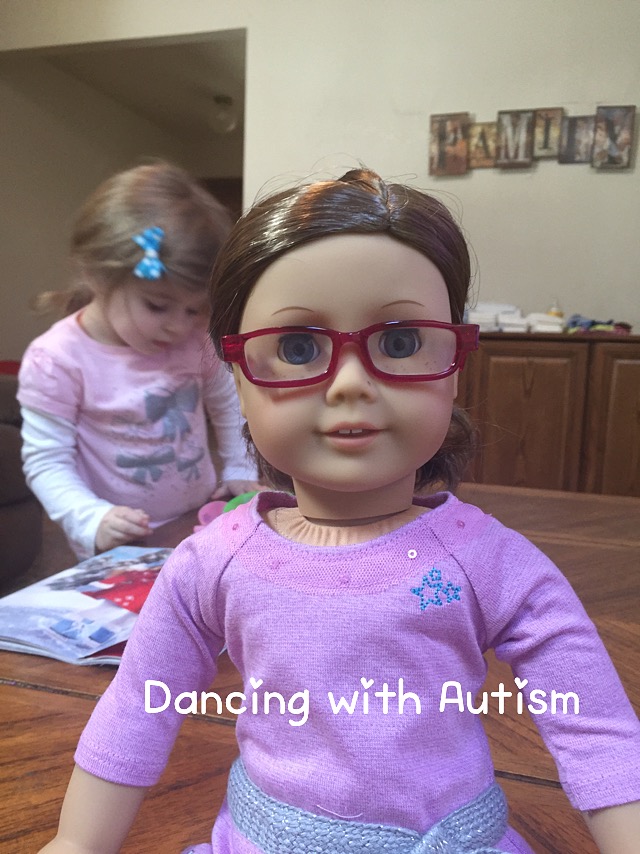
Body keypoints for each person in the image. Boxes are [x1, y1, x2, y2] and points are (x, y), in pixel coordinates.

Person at [39, 169, 640, 853]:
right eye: (298, 349)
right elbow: (138, 706)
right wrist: (77, 843)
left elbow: (593, 725)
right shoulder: (212, 563)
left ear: (455, 363)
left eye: (400, 343)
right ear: (237, 377)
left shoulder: (491, 564)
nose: (351, 384)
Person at [18, 161, 258, 559]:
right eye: (158, 306)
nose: (179, 327)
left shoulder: (194, 339)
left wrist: (239, 467)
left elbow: (229, 401)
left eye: (195, 309)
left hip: (197, 518)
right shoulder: (56, 360)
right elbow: (46, 461)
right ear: (97, 275)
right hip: (120, 540)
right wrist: (92, 518)